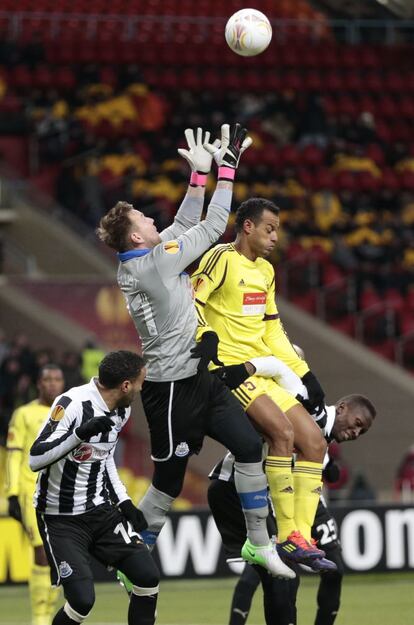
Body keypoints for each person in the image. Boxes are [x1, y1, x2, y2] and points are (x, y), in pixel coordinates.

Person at [97, 125, 293, 579]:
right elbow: (209, 227)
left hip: (199, 377)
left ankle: (259, 545)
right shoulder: (153, 265)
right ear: (137, 238)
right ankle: (132, 560)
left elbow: (184, 224)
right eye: (145, 220)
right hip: (168, 391)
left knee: (248, 447)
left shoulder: (145, 259)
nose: (152, 220)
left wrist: (196, 177)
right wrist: (227, 169)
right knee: (166, 484)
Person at [192, 197, 329, 568]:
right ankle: (286, 536)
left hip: (264, 370)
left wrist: (304, 374)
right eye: (269, 229)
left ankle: (302, 535)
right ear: (248, 226)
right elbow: (192, 303)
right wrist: (206, 337)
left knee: (315, 442)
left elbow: (273, 331)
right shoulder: (220, 258)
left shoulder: (266, 271)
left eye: (277, 231)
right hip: (232, 371)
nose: (275, 237)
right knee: (282, 435)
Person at [208, 382, 376, 625]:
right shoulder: (306, 414)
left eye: (362, 432)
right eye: (357, 424)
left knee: (283, 577)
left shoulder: (319, 438)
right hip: (235, 490)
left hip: (252, 494)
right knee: (279, 577)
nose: (356, 433)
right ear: (342, 408)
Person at [29, 351, 160, 625]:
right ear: (126, 385)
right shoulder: (71, 403)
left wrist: (123, 502)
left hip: (99, 511)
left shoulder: (121, 410)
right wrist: (78, 435)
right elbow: (35, 458)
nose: (141, 388)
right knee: (82, 600)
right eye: (140, 382)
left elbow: (104, 455)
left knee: (147, 576)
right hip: (60, 519)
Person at [6, 364, 65, 625]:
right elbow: (14, 454)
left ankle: (50, 611)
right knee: (41, 551)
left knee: (58, 555)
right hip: (31, 491)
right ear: (39, 384)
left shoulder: (68, 411)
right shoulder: (24, 414)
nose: (52, 384)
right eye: (47, 379)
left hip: (61, 491)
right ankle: (39, 617)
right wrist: (11, 493)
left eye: (57, 379)